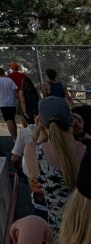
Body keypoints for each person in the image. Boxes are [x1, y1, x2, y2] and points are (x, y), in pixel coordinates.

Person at [10, 146, 91, 244]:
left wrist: (30, 233)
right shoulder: (82, 147)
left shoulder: (36, 150)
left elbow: (16, 160)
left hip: (53, 219)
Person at [24, 97, 87, 232]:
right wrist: (82, 134)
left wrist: (42, 132)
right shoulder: (86, 149)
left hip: (59, 230)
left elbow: (34, 151)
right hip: (86, 228)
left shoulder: (33, 151)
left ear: (41, 122)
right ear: (73, 120)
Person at [0, 66, 20, 140]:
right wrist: (19, 100)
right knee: (12, 119)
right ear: (4, 72)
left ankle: (14, 138)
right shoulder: (9, 80)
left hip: (3, 103)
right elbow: (15, 91)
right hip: (12, 102)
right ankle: (16, 136)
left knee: (9, 120)